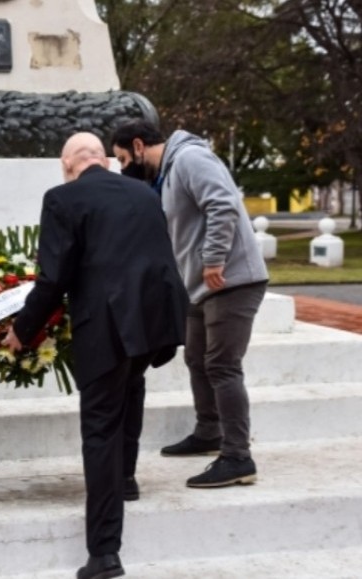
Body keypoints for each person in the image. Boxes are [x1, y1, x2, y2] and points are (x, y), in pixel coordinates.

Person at [2, 132, 188, 579]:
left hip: (107, 325)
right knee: (132, 386)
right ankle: (125, 479)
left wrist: (22, 331)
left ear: (68, 165)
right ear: (103, 160)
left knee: (100, 427)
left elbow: (53, 279)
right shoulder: (144, 191)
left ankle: (104, 553)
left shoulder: (62, 198)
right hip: (155, 320)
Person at [110, 119, 269, 490]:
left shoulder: (190, 158)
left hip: (231, 279)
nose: (122, 168)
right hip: (200, 287)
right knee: (196, 357)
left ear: (137, 145)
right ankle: (210, 431)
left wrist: (213, 259)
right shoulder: (165, 175)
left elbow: (223, 204)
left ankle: (238, 457)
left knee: (222, 365)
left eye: (121, 159)